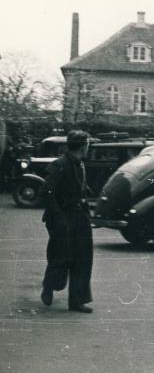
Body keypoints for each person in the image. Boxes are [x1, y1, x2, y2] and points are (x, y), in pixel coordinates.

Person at [40, 130, 94, 313]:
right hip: (63, 217)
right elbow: (47, 191)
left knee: (83, 258)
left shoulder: (79, 164)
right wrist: (59, 217)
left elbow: (78, 188)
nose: (89, 148)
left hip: (79, 217)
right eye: (88, 144)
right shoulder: (60, 164)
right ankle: (49, 286)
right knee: (60, 256)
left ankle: (77, 300)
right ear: (83, 145)